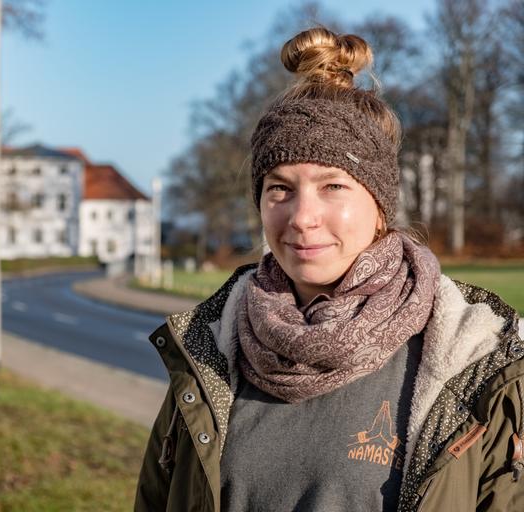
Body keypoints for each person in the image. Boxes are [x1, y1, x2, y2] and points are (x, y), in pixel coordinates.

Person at [134, 26, 524, 512]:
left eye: (333, 186)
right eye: (279, 188)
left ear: (380, 205)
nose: (301, 217)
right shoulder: (210, 347)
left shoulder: (476, 360)